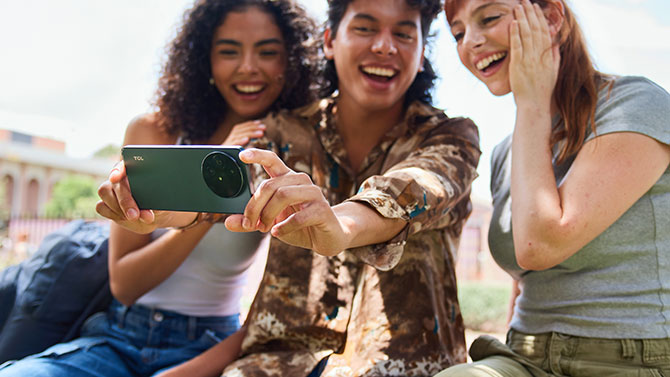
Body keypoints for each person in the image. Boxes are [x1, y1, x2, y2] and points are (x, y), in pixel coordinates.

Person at [94, 0, 481, 376]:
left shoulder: (451, 136)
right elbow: (222, 195)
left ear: (422, 51)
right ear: (329, 41)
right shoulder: (279, 133)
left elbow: (417, 187)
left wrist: (341, 225)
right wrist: (152, 207)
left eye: (403, 33)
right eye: (365, 27)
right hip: (272, 366)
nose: (384, 45)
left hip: (401, 367)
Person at [0, 0, 317, 376]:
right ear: (205, 61)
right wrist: (215, 190)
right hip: (117, 339)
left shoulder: (294, 155)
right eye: (229, 51)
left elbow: (276, 312)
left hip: (213, 348)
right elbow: (126, 285)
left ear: (291, 63)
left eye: (268, 52)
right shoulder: (155, 134)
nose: (248, 66)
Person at [436, 0, 670, 376]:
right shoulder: (507, 152)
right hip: (526, 356)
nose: (471, 43)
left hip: (629, 361)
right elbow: (524, 279)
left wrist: (532, 103)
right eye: (458, 33)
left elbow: (542, 244)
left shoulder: (636, 105)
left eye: (490, 18)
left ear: (552, 17)